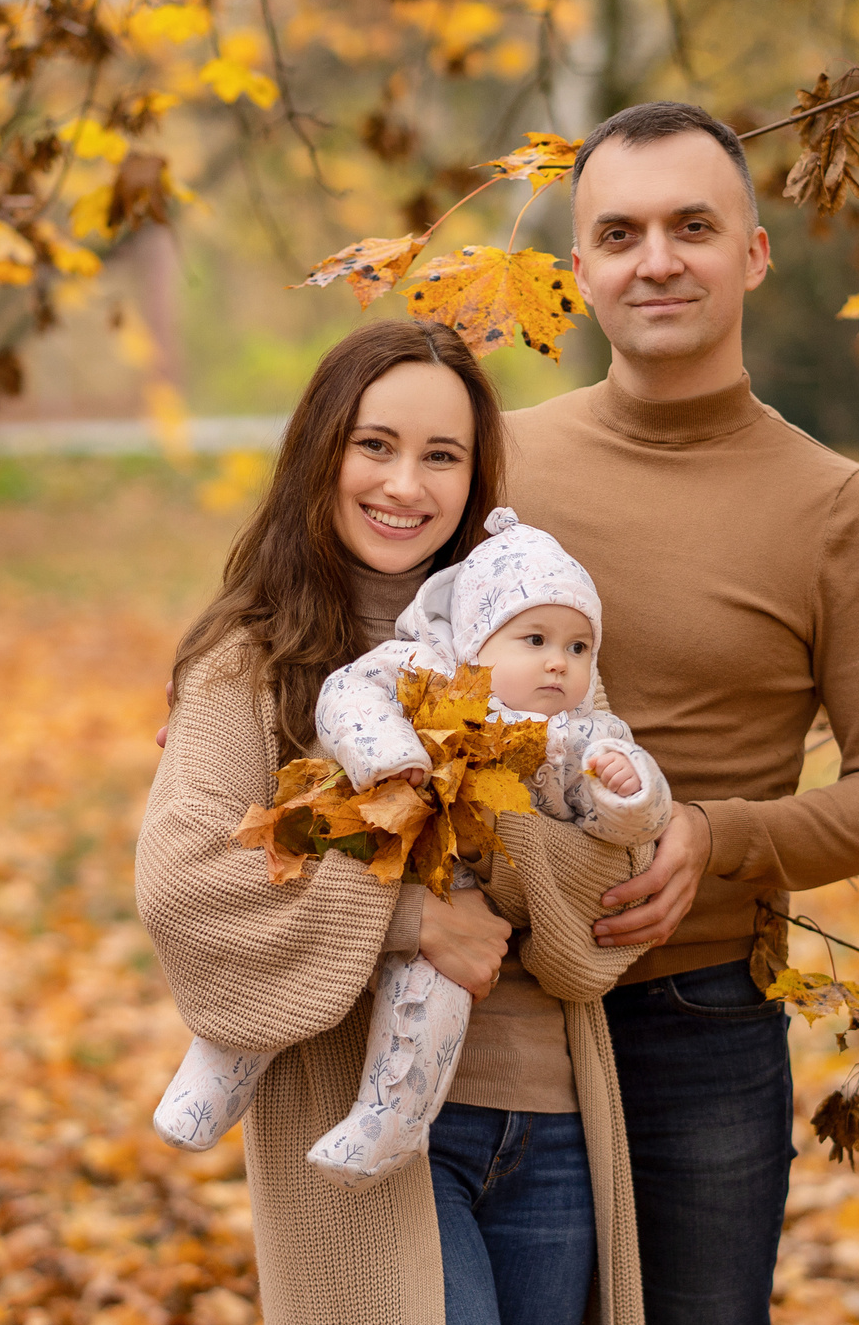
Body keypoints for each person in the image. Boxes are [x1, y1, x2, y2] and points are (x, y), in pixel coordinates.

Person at [504, 102, 859, 1325]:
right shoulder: (498, 463)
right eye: (621, 232)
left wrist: (722, 836)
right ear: (582, 268)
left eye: (693, 226)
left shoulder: (833, 509)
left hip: (699, 1018)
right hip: (494, 1006)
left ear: (753, 251)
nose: (658, 260)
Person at [136, 320, 655, 1325]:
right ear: (322, 451)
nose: (403, 484)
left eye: (441, 456)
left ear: (473, 481)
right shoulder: (252, 662)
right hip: (373, 1137)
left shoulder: (531, 640)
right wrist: (411, 920)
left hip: (551, 1120)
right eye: (375, 445)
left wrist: (477, 820)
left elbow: (607, 879)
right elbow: (186, 883)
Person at [153, 507, 671, 1189]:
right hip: (358, 846)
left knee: (430, 992)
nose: (558, 661)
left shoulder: (577, 736)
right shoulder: (425, 668)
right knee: (287, 952)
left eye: (579, 648)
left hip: (450, 889)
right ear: (477, 635)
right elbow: (348, 692)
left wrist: (629, 795)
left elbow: (623, 830)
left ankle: (390, 1114)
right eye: (536, 637)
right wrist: (391, 756)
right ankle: (224, 1060)